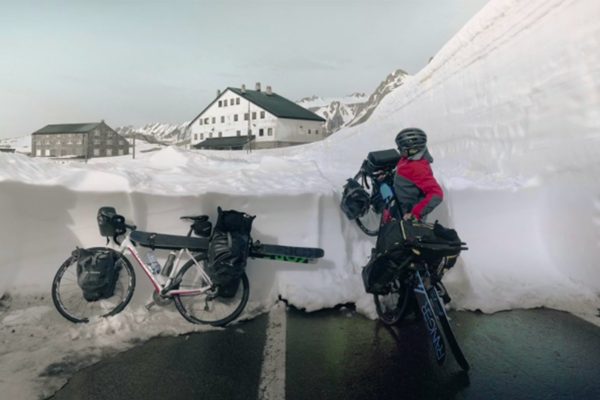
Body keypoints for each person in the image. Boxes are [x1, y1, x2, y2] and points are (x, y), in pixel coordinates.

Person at [393, 127, 443, 222]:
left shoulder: (418, 168)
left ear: (412, 149)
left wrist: (414, 214)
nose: (399, 150)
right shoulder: (409, 158)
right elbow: (404, 172)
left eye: (401, 148)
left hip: (407, 215)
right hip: (399, 202)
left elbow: (436, 193)